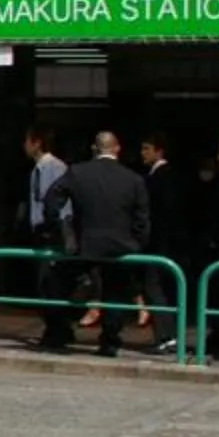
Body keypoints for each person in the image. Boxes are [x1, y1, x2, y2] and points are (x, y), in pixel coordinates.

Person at [43, 130, 151, 356]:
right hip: (120, 245)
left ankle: (57, 331)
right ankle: (110, 341)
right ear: (117, 148)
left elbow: (52, 198)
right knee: (115, 293)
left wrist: (61, 228)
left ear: (95, 149)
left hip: (85, 241)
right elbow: (142, 219)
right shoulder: (133, 179)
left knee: (59, 282)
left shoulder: (78, 172)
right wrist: (136, 243)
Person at [138, 133, 190, 351]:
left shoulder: (162, 177)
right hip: (164, 244)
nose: (143, 153)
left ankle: (166, 336)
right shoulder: (160, 175)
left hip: (161, 245)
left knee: (155, 288)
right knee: (160, 289)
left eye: (147, 149)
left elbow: (162, 214)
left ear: (159, 151)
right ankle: (167, 335)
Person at [20, 127, 72, 346]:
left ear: (37, 143)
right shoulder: (38, 169)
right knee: (44, 284)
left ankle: (57, 331)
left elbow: (61, 204)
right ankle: (57, 328)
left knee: (50, 283)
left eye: (27, 141)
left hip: (51, 233)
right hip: (40, 232)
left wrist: (56, 230)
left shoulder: (55, 167)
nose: (25, 146)